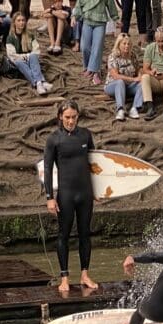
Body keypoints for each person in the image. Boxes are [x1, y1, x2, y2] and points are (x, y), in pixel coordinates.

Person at [43, 100, 99, 293]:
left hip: (85, 193)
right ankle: (64, 277)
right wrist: (50, 197)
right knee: (63, 235)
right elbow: (48, 169)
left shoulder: (85, 135)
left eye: (74, 117)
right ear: (60, 117)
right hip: (66, 194)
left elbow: (95, 163)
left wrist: (98, 189)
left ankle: (84, 274)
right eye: (67, 117)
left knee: (85, 233)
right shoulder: (54, 139)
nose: (70, 121)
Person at [5, 14, 54, 94]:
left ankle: (38, 84)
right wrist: (25, 56)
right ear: (14, 23)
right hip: (18, 60)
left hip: (31, 59)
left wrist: (29, 56)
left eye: (23, 20)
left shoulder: (30, 35)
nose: (21, 23)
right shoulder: (10, 37)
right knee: (19, 62)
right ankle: (41, 82)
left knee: (33, 56)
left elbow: (36, 50)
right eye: (19, 20)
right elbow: (11, 55)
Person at [73, 0, 118, 86]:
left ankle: (96, 71)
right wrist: (74, 16)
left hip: (100, 22)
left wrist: (115, 18)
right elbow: (79, 4)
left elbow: (111, 4)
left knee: (97, 47)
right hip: (87, 20)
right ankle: (87, 68)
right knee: (84, 47)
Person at [104, 33, 145, 120]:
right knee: (120, 81)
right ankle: (120, 109)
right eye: (124, 44)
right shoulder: (113, 57)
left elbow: (139, 69)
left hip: (128, 86)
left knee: (143, 83)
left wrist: (140, 76)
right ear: (119, 44)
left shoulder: (132, 55)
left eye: (129, 44)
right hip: (113, 85)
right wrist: (133, 79)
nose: (127, 46)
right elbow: (115, 76)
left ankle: (135, 108)